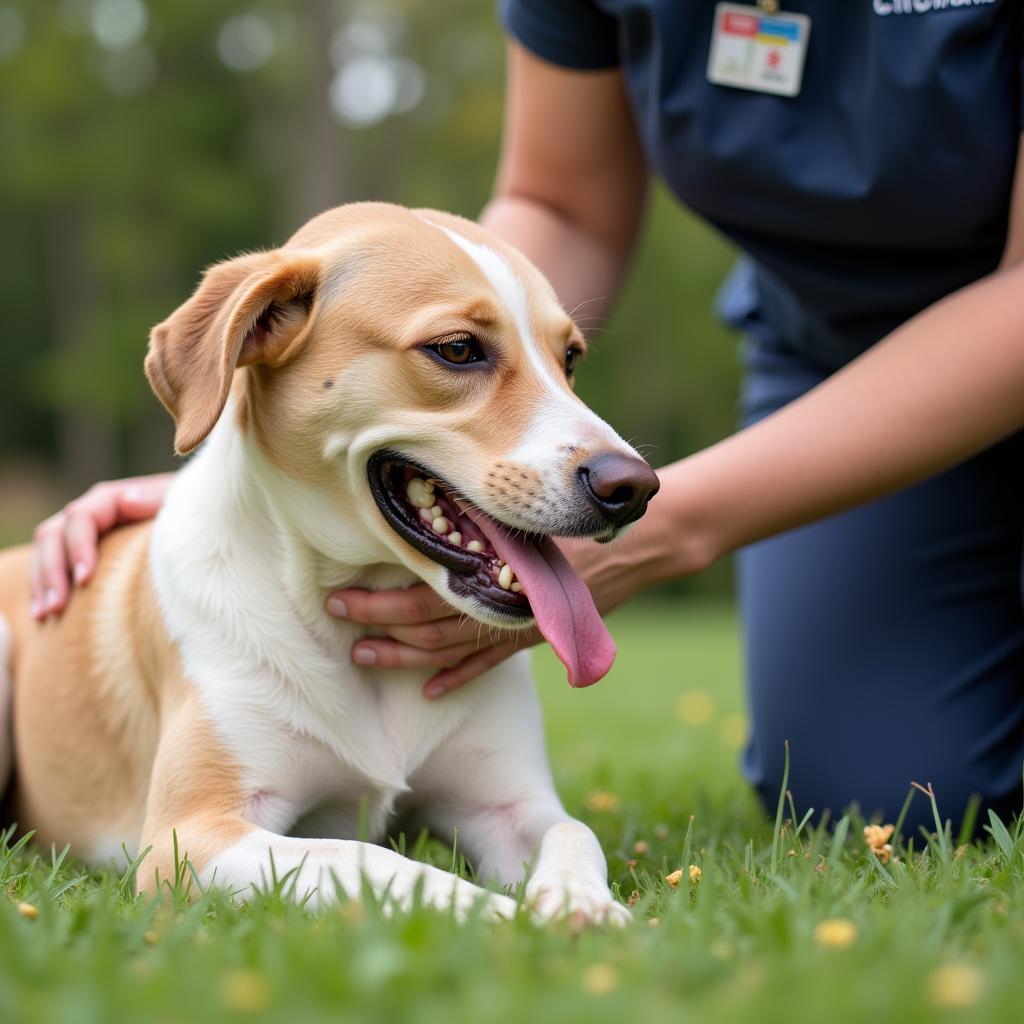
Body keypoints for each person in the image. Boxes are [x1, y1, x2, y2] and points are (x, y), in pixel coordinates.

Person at [30, 2, 1024, 833]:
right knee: (893, 797)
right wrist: (272, 467)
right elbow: (563, 206)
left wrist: (669, 525)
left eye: (567, 363)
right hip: (829, 361)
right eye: (457, 355)